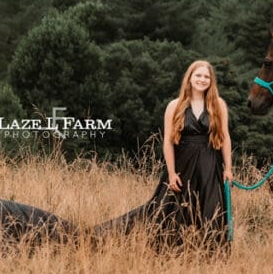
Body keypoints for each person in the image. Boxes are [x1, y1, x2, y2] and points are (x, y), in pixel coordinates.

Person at [93, 60, 233, 251]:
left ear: (211, 81)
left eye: (206, 77)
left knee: (210, 208)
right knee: (170, 209)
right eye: (198, 75)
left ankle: (210, 254)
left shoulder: (218, 105)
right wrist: (172, 173)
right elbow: (167, 141)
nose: (202, 80)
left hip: (209, 165)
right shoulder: (175, 105)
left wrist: (228, 168)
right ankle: (171, 251)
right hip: (183, 164)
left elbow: (225, 138)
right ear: (189, 78)